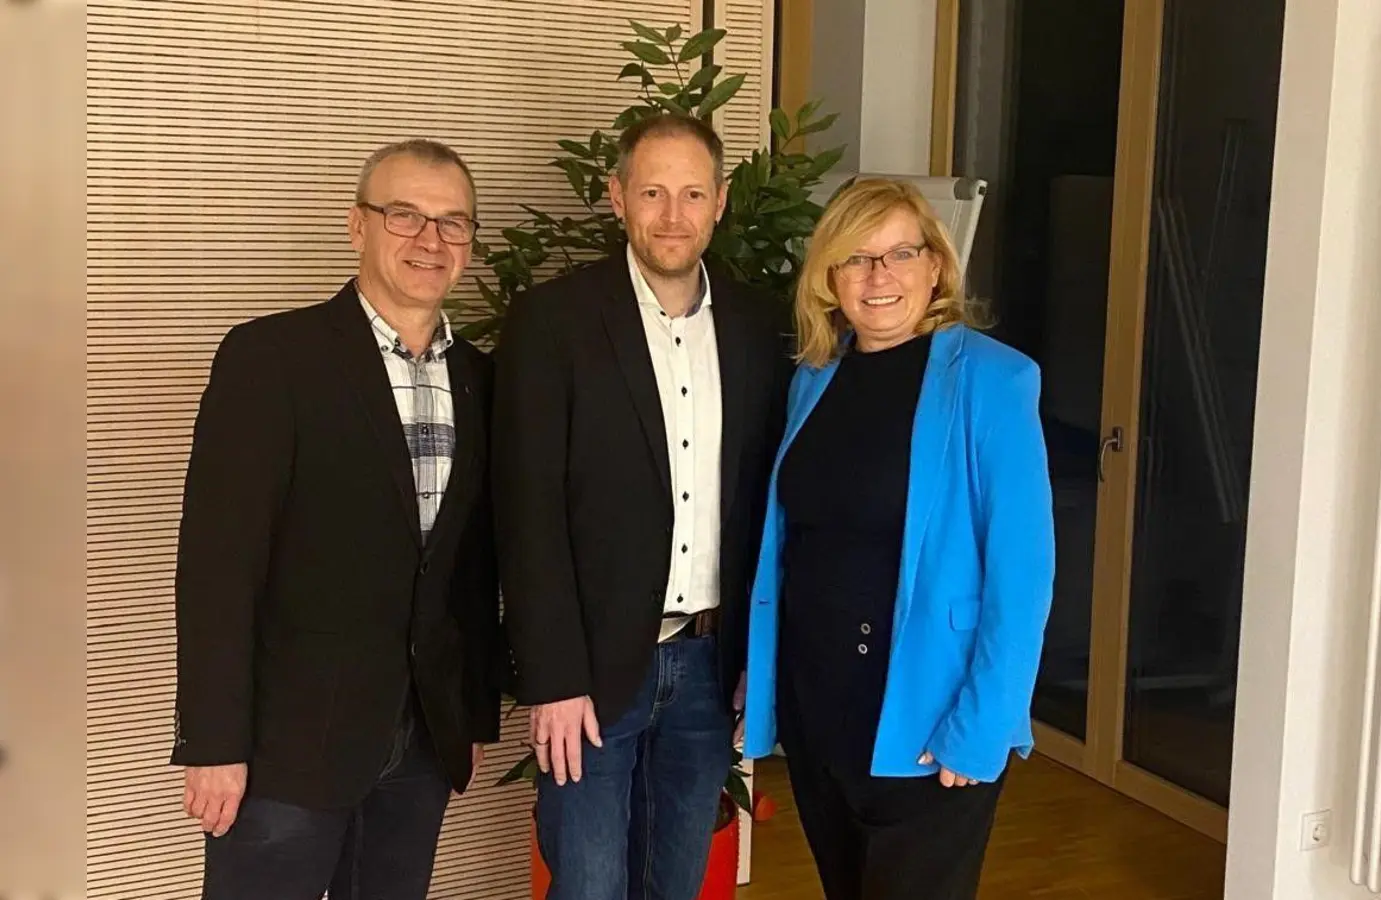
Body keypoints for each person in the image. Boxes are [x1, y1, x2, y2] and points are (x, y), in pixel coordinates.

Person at [171, 139, 502, 900]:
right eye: (405, 215)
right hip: (286, 743)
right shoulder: (271, 359)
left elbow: (471, 568)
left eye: (453, 223)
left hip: (422, 741)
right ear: (358, 226)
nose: (430, 240)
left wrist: (468, 718)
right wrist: (213, 742)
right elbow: (218, 567)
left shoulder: (482, 378)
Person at [491, 113, 789, 900]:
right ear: (616, 196)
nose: (672, 214)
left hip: (708, 665)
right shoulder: (552, 320)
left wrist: (758, 660)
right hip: (588, 674)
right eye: (652, 191)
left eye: (693, 193)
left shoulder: (763, 326)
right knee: (587, 886)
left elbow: (769, 502)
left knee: (675, 881)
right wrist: (551, 676)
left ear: (721, 201)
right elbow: (526, 513)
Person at [742, 178, 1056, 900]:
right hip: (822, 711)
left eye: (899, 253)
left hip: (930, 718)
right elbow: (796, 545)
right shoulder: (816, 378)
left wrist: (981, 726)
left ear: (936, 266)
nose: (878, 276)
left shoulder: (994, 380)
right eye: (856, 258)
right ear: (829, 276)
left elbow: (1023, 576)